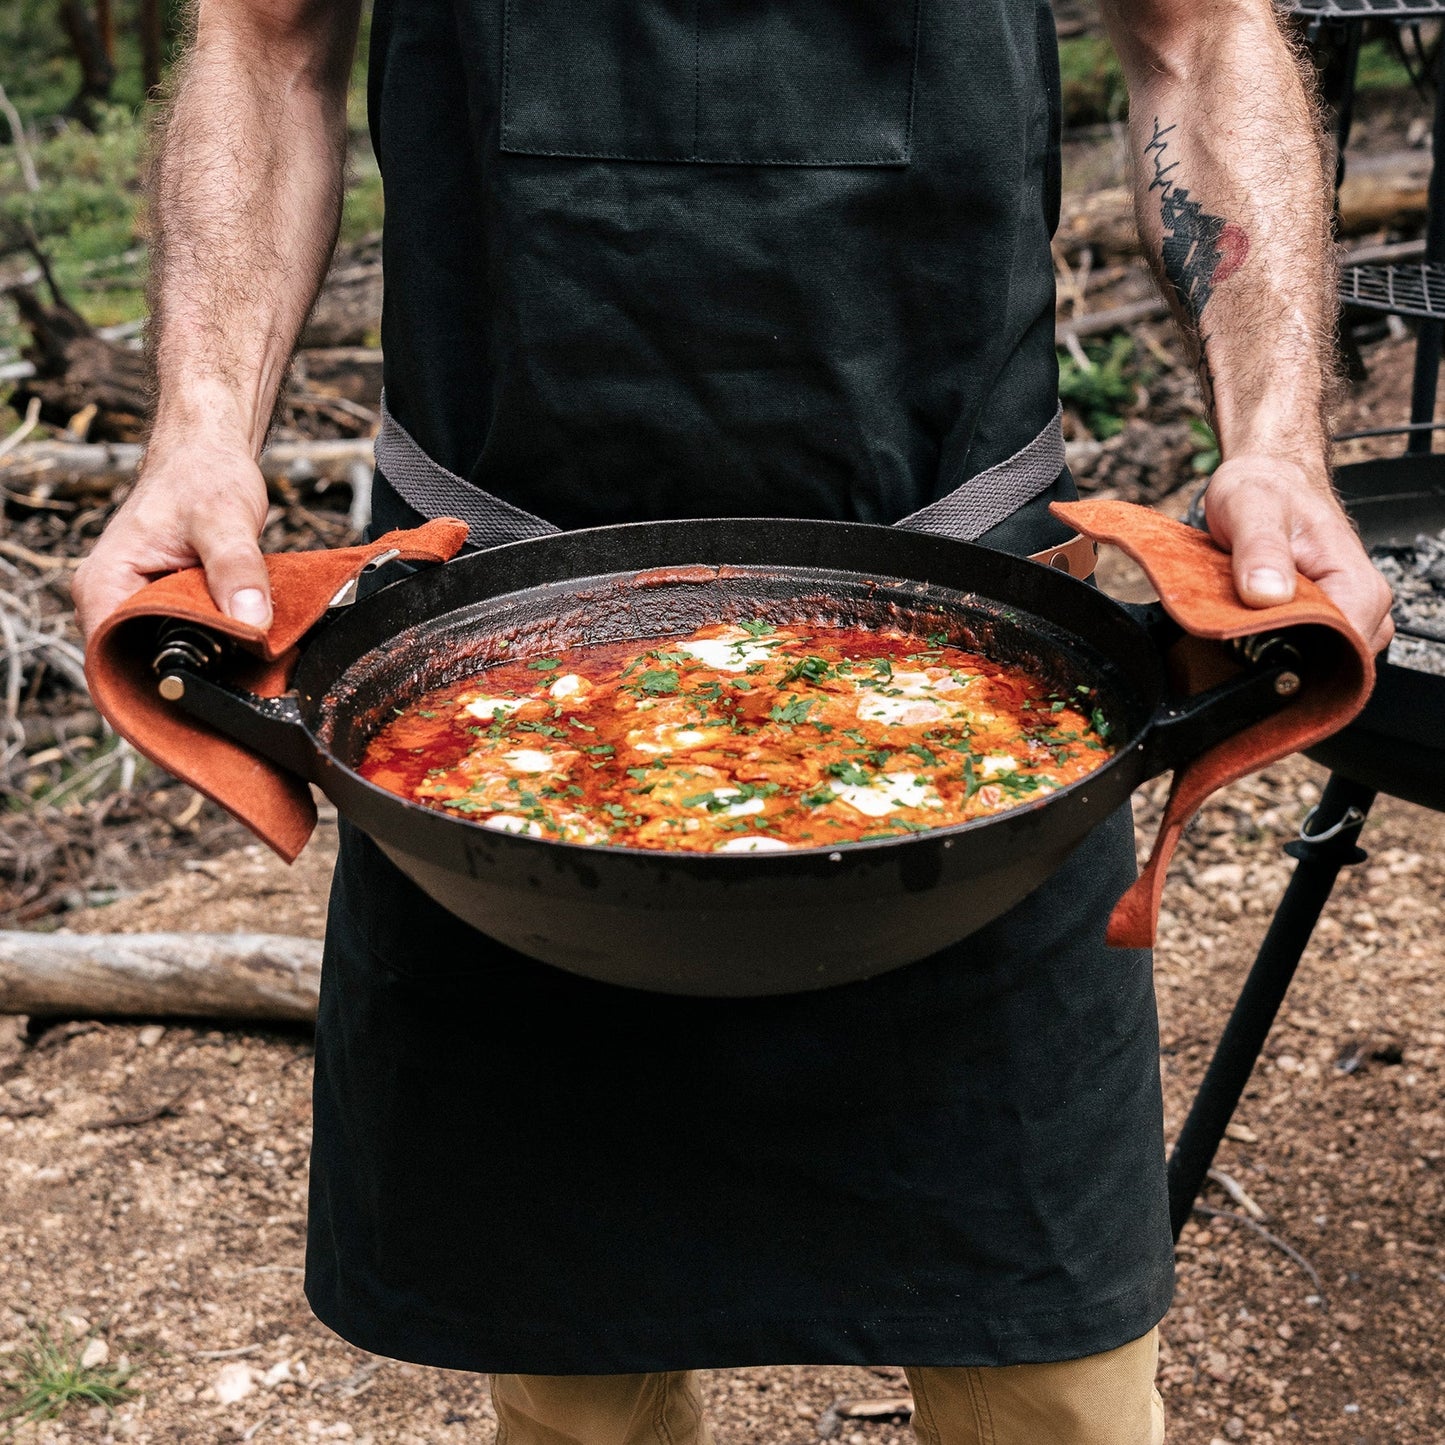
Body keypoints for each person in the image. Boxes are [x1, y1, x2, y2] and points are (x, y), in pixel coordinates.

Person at [74, 0, 1393, 1440]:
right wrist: (200, 430)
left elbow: (1202, 36)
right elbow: (262, 39)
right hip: (489, 671)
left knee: (1053, 1380)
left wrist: (1274, 438)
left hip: (978, 671)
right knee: (573, 1378)